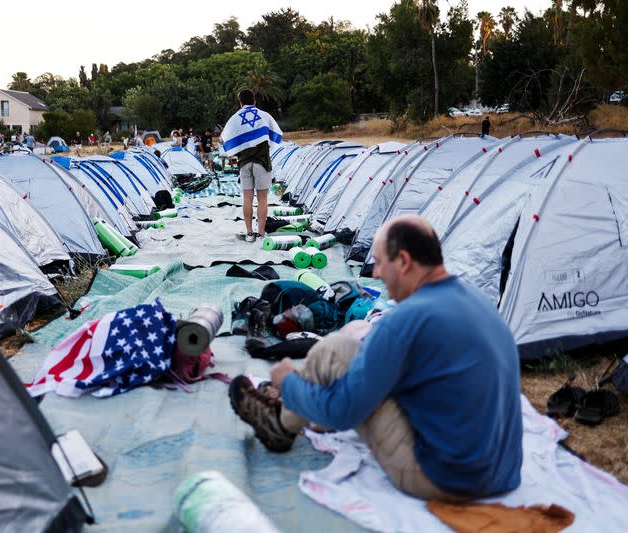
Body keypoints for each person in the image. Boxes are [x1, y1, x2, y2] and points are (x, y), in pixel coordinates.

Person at [229, 214, 523, 502]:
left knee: (336, 360)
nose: (376, 274)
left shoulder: (407, 319)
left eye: (381, 262)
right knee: (341, 350)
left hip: (445, 478)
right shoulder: (478, 304)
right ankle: (292, 414)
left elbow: (345, 410)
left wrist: (289, 383)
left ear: (405, 262)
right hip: (503, 471)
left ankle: (281, 420)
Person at [220, 88, 282, 243]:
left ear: (240, 102)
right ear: (254, 100)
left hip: (244, 163)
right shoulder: (264, 116)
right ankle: (261, 234)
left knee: (247, 198)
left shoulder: (234, 119)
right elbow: (277, 136)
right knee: (262, 199)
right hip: (261, 162)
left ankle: (249, 233)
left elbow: (225, 142)